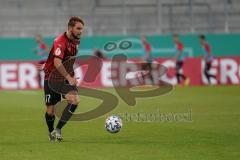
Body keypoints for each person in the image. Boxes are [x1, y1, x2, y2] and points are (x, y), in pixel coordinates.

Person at [42, 16, 84, 142]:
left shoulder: (76, 40)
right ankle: (51, 132)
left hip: (65, 77)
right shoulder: (60, 41)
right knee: (50, 111)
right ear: (70, 28)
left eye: (82, 29)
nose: (81, 31)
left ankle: (59, 129)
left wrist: (70, 75)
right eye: (78, 28)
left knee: (75, 100)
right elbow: (56, 62)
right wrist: (69, 77)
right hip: (52, 77)